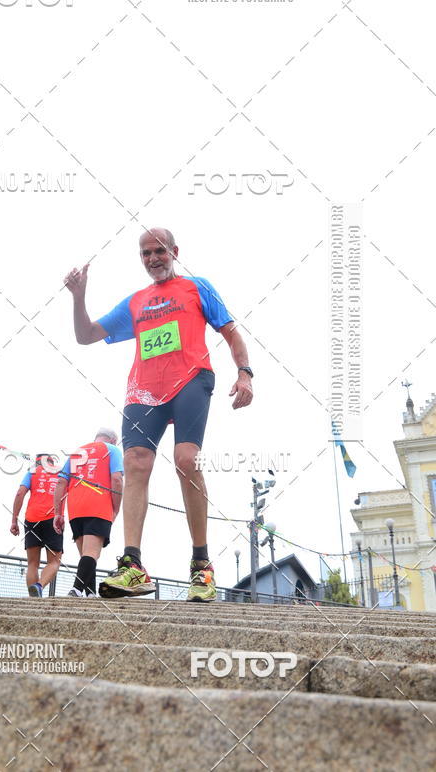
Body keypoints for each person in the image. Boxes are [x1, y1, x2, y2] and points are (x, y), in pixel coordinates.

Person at [64, 227, 253, 602]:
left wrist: (245, 372)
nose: (153, 259)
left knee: (186, 460)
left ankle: (201, 567)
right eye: (146, 253)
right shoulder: (136, 302)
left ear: (175, 252)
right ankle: (132, 566)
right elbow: (85, 335)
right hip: (144, 389)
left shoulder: (197, 287)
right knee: (135, 461)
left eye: (159, 251)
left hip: (191, 380)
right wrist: (78, 294)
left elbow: (232, 333)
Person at [53, 428, 123, 597]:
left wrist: (58, 513)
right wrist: (116, 508)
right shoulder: (112, 450)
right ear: (113, 440)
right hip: (99, 506)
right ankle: (76, 590)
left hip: (76, 508)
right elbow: (117, 479)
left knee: (86, 555)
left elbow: (61, 481)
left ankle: (90, 593)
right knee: (92, 553)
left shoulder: (77, 452)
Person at [10, 453, 63, 597]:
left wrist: (14, 520)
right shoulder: (61, 472)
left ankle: (32, 598)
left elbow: (20, 493)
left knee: (32, 563)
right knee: (54, 562)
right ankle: (39, 586)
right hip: (53, 518)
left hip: (32, 518)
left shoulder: (32, 472)